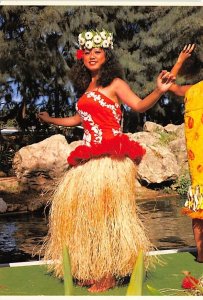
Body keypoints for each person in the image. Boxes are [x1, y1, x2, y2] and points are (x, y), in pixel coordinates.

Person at [38, 29, 175, 292]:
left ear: (106, 55)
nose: (91, 56)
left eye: (97, 52)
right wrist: (51, 120)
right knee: (85, 216)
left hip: (111, 159)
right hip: (88, 160)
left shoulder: (116, 84)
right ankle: (94, 266)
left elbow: (139, 105)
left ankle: (110, 273)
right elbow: (79, 120)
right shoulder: (87, 87)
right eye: (87, 52)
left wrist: (158, 91)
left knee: (109, 216)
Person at [169, 44, 203, 263]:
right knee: (199, 210)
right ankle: (201, 254)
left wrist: (180, 61)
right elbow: (167, 85)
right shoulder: (192, 90)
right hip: (197, 167)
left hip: (197, 169)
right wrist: (180, 61)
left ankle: (201, 255)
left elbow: (169, 85)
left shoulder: (191, 91)